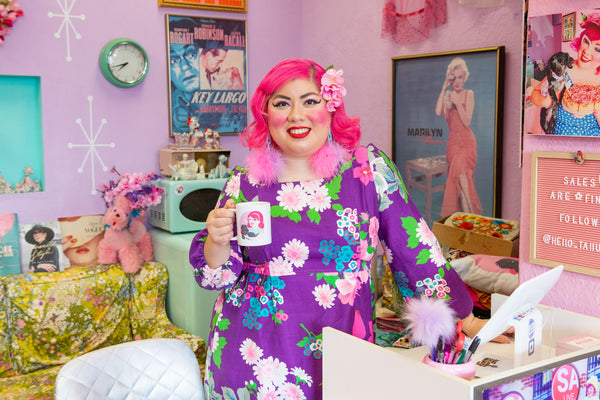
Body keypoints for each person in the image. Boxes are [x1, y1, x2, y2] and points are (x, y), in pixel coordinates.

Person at [189, 59, 506, 399]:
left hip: (341, 347)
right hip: (252, 354)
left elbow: (414, 248)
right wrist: (217, 241)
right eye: (282, 103)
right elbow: (215, 277)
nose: (297, 114)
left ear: (331, 106)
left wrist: (467, 318)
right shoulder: (244, 183)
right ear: (267, 115)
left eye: (310, 101)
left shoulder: (366, 171)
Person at [530, 13, 600, 136]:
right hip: (560, 135)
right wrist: (549, 101)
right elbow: (534, 96)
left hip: (592, 142)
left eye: (598, 49)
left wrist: (596, 110)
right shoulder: (564, 68)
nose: (587, 51)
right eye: (586, 41)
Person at [435, 56, 483, 217]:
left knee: (460, 168)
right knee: (458, 167)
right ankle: (468, 217)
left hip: (468, 145)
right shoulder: (448, 95)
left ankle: (468, 214)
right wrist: (443, 87)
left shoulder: (469, 94)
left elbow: (467, 121)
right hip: (453, 145)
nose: (457, 81)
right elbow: (437, 111)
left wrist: (456, 101)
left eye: (460, 77)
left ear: (465, 78)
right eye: (454, 77)